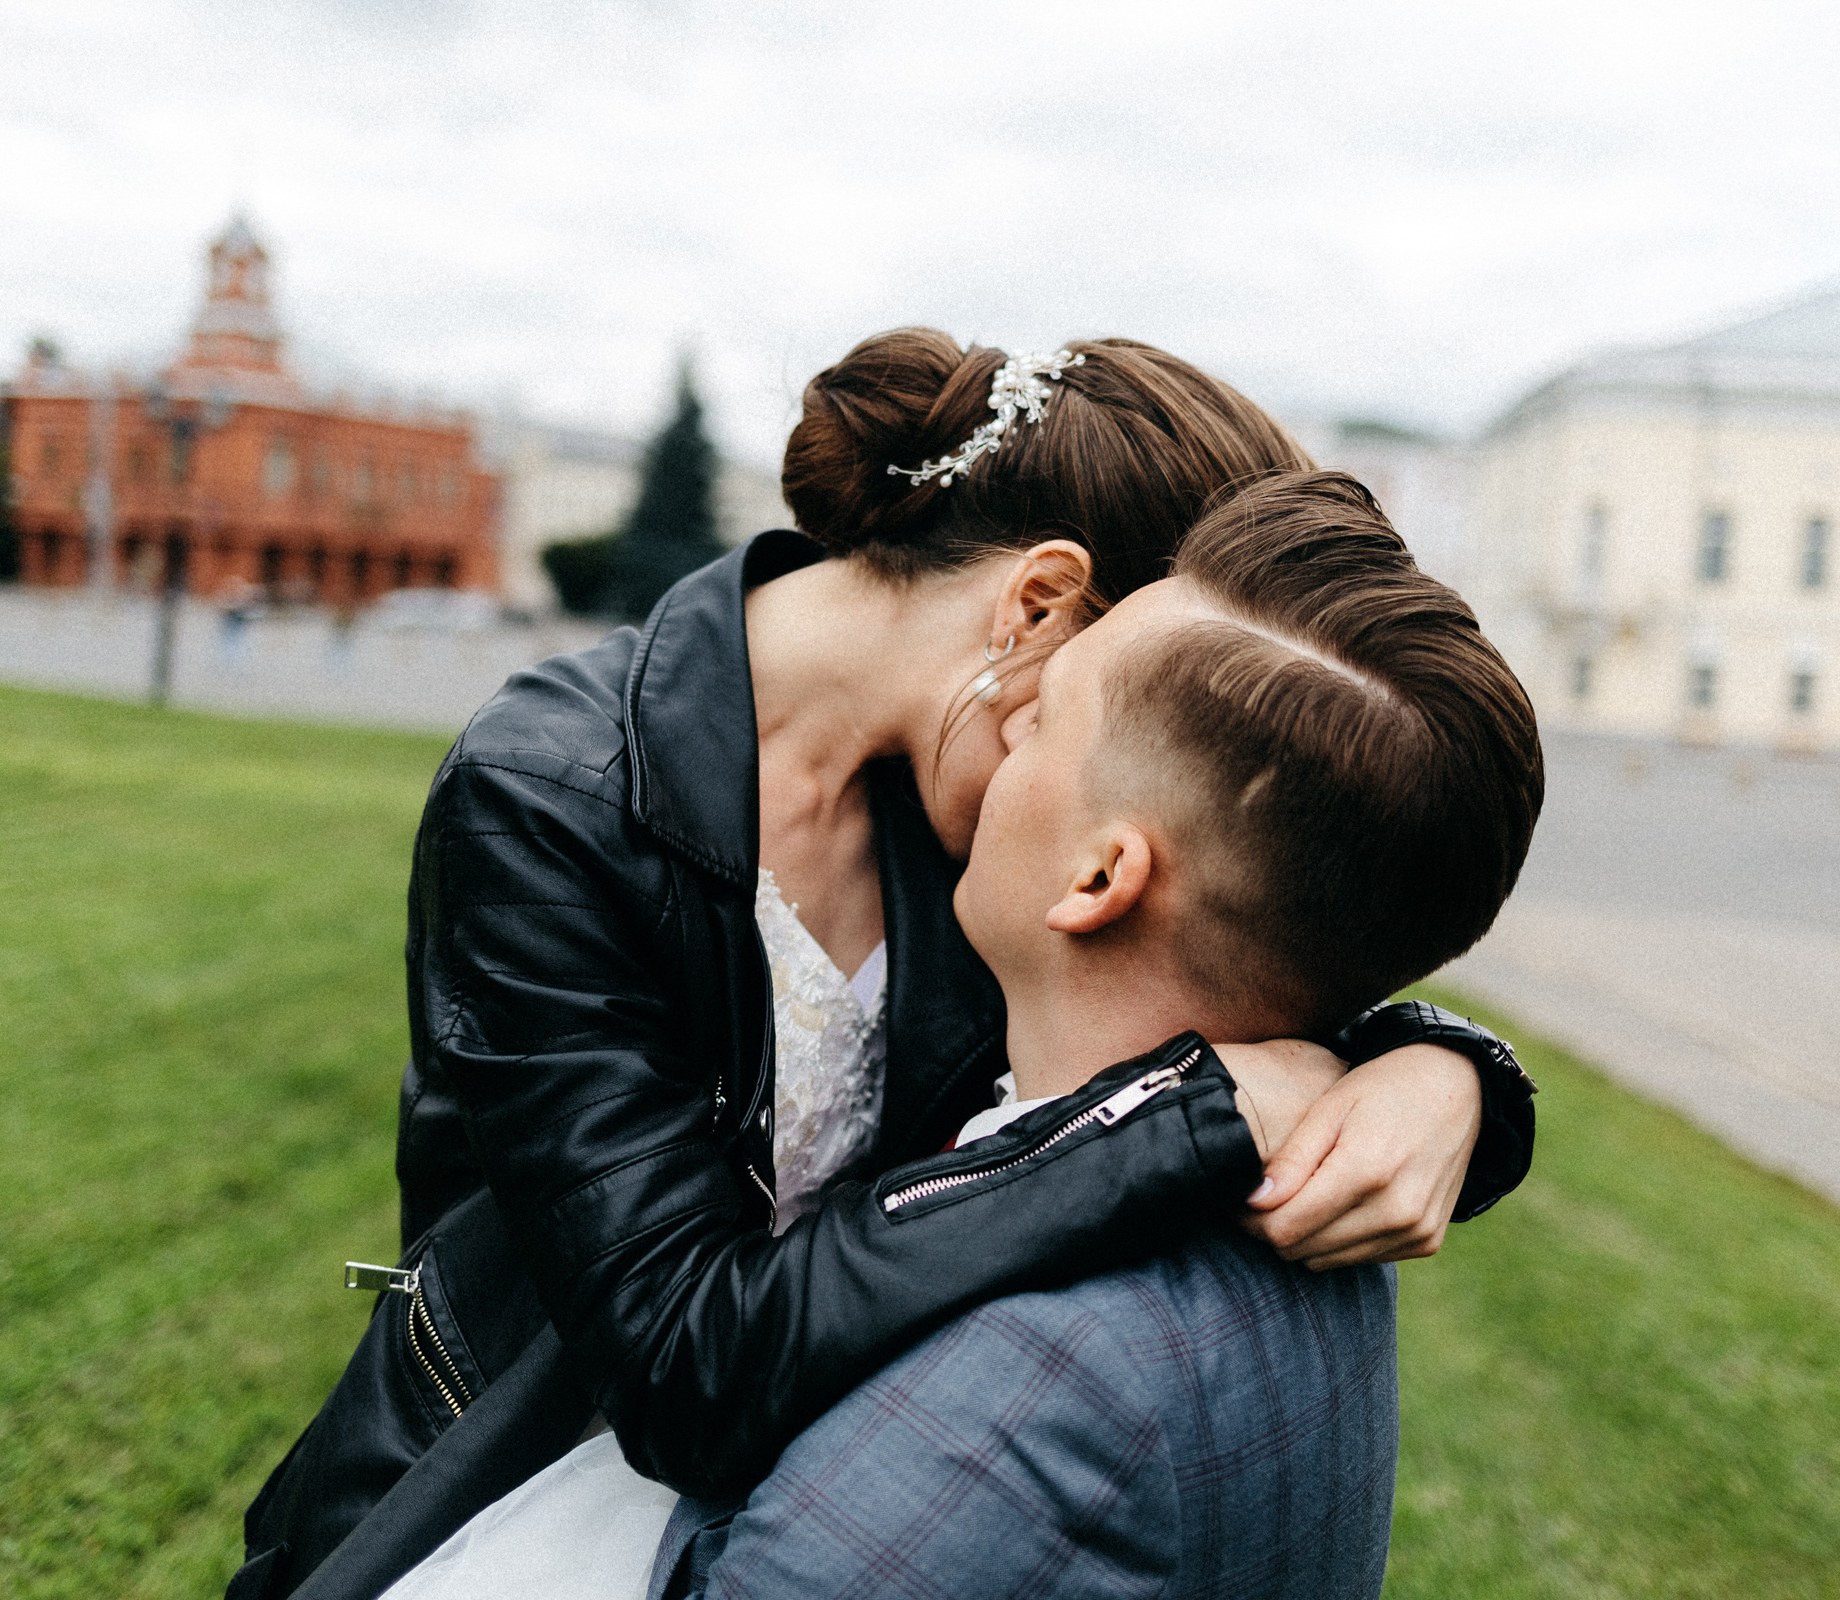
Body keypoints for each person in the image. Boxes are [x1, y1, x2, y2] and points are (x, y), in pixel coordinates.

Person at [235, 336, 1536, 1600]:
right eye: (1105, 691)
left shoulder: (986, 800)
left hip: (877, 1476)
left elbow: (1250, 916)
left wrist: (1443, 1070)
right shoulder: (552, 794)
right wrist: (1173, 1122)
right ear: (1036, 607)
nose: (1073, 755)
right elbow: (680, 1360)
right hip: (531, 1469)